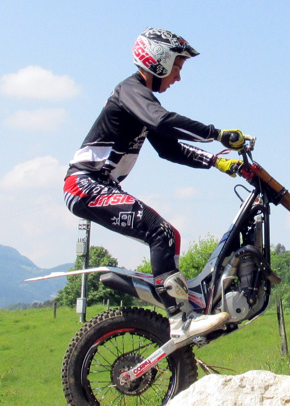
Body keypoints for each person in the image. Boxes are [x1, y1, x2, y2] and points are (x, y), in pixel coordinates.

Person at [64, 27, 246, 344]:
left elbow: (169, 148)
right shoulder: (130, 90)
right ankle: (180, 320)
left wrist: (216, 162)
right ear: (158, 59)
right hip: (85, 184)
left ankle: (183, 314)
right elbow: (163, 121)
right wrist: (216, 134)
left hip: (98, 186)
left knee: (168, 235)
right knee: (160, 232)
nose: (178, 77)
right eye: (177, 66)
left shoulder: (142, 102)